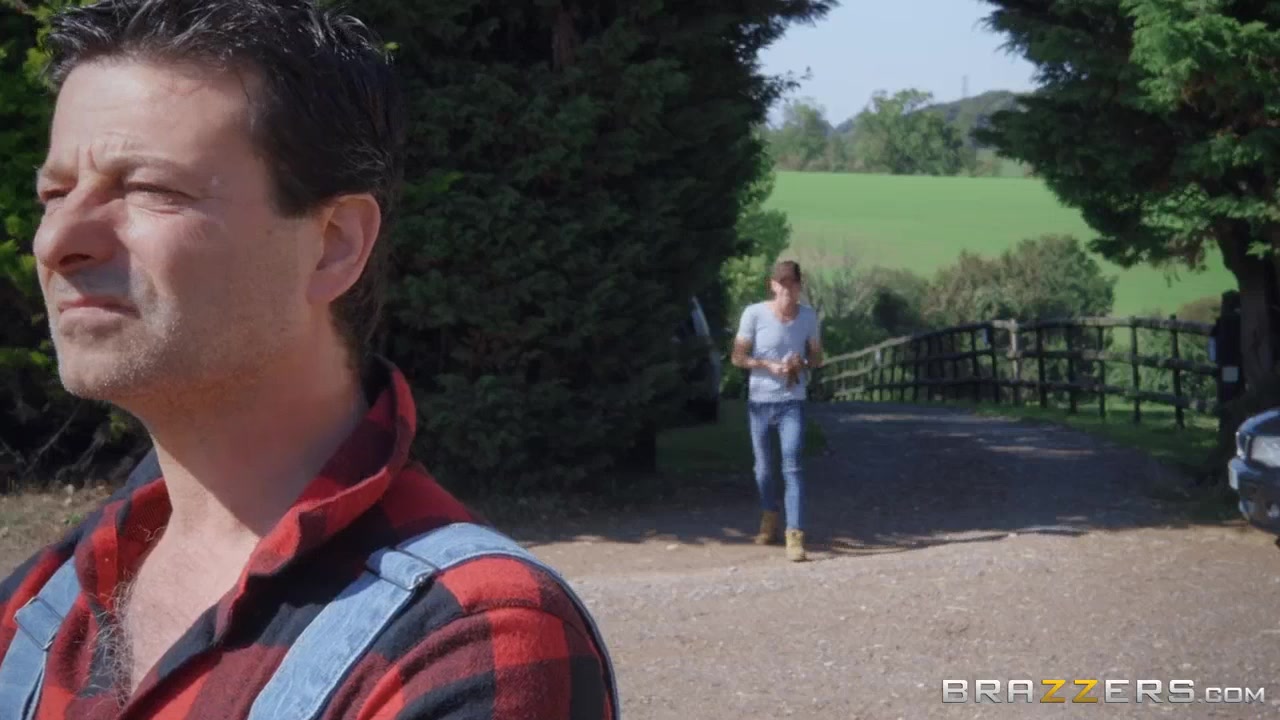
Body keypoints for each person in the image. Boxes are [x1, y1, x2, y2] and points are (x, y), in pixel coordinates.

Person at [0, 1, 616, 718]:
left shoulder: (468, 638)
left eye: (149, 190)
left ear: (333, 245)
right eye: (55, 194)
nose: (56, 243)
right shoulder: (39, 607)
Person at [731, 260, 823, 562]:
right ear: (773, 285)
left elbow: (817, 357)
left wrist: (802, 363)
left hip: (792, 401)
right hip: (760, 401)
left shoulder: (808, 316)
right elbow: (737, 357)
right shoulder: (754, 314)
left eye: (792, 284)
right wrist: (766, 365)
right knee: (763, 468)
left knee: (792, 465)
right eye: (782, 284)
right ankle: (769, 514)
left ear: (799, 286)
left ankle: (794, 535)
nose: (787, 290)